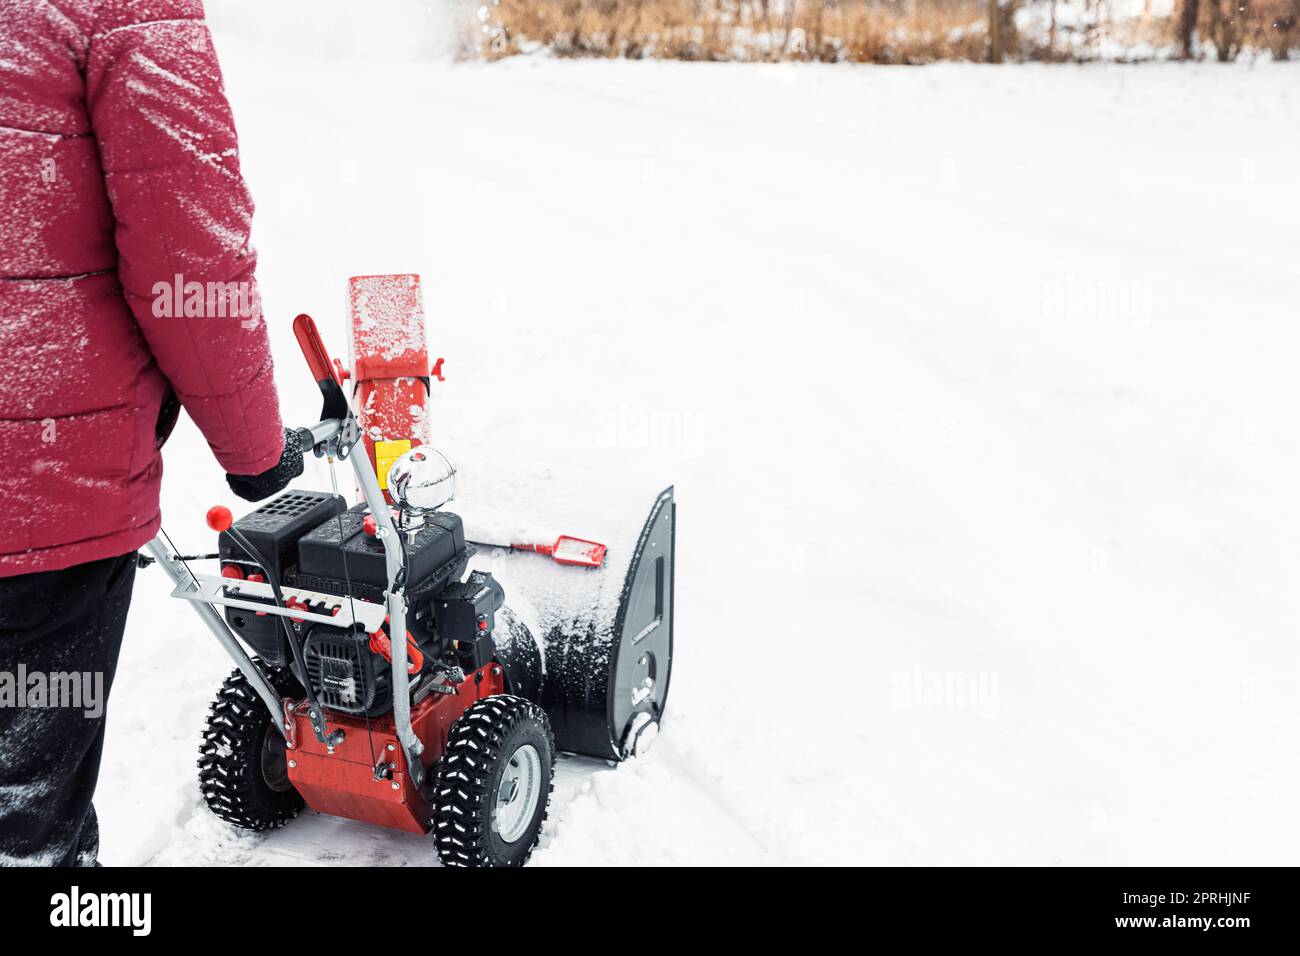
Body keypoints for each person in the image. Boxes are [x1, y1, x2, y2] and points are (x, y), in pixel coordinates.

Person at [0, 1, 298, 865]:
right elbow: (188, 259)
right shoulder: (124, 10)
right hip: (40, 503)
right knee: (26, 823)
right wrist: (256, 452)